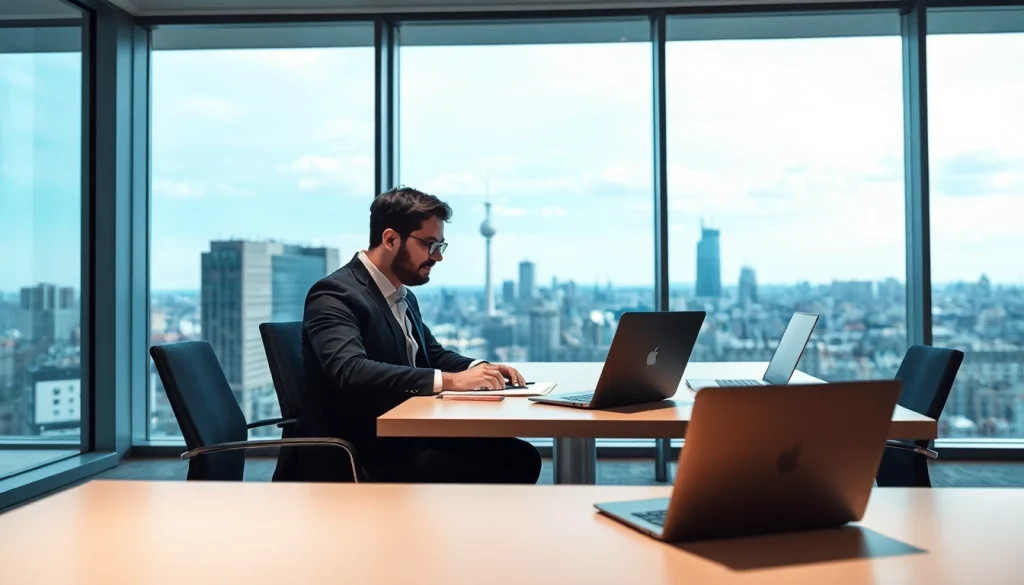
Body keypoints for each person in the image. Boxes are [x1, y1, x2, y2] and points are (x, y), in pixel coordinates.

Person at [276, 186, 542, 484]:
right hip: (360, 448)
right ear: (390, 239)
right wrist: (452, 381)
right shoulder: (335, 294)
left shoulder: (400, 294)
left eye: (441, 246)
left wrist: (478, 368)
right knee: (514, 462)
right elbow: (349, 370)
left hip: (400, 436)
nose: (438, 257)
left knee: (517, 456)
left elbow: (431, 354)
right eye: (430, 245)